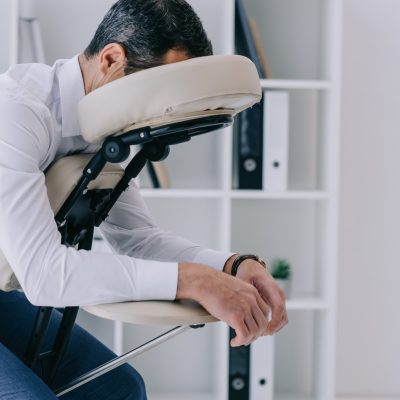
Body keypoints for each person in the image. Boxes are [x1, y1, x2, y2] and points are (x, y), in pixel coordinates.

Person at [0, 0, 288, 399]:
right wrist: (191, 280)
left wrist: (231, 266)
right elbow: (44, 274)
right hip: (21, 287)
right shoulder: (17, 113)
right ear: (112, 59)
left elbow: (140, 240)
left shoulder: (104, 129)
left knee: (121, 388)